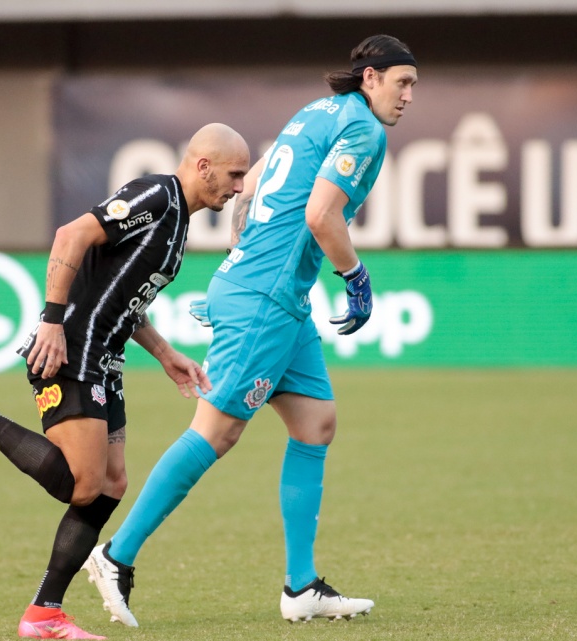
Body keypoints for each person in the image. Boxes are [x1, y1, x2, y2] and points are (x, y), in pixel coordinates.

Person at [84, 34, 418, 626]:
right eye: (402, 82)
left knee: (316, 423)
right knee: (216, 431)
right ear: (371, 78)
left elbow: (256, 180)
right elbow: (320, 215)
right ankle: (116, 555)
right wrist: (356, 277)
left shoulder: (318, 112)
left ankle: (300, 589)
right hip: (265, 300)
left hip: (273, 298)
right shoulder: (365, 129)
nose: (409, 95)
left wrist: (245, 253)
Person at [0, 123, 250, 640]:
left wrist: (164, 353)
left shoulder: (178, 221)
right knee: (81, 483)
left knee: (110, 483)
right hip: (71, 350)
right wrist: (50, 320)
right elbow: (72, 234)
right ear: (203, 166)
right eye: (234, 173)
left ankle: (45, 613)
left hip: (103, 357)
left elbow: (122, 295)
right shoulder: (158, 194)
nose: (240, 186)